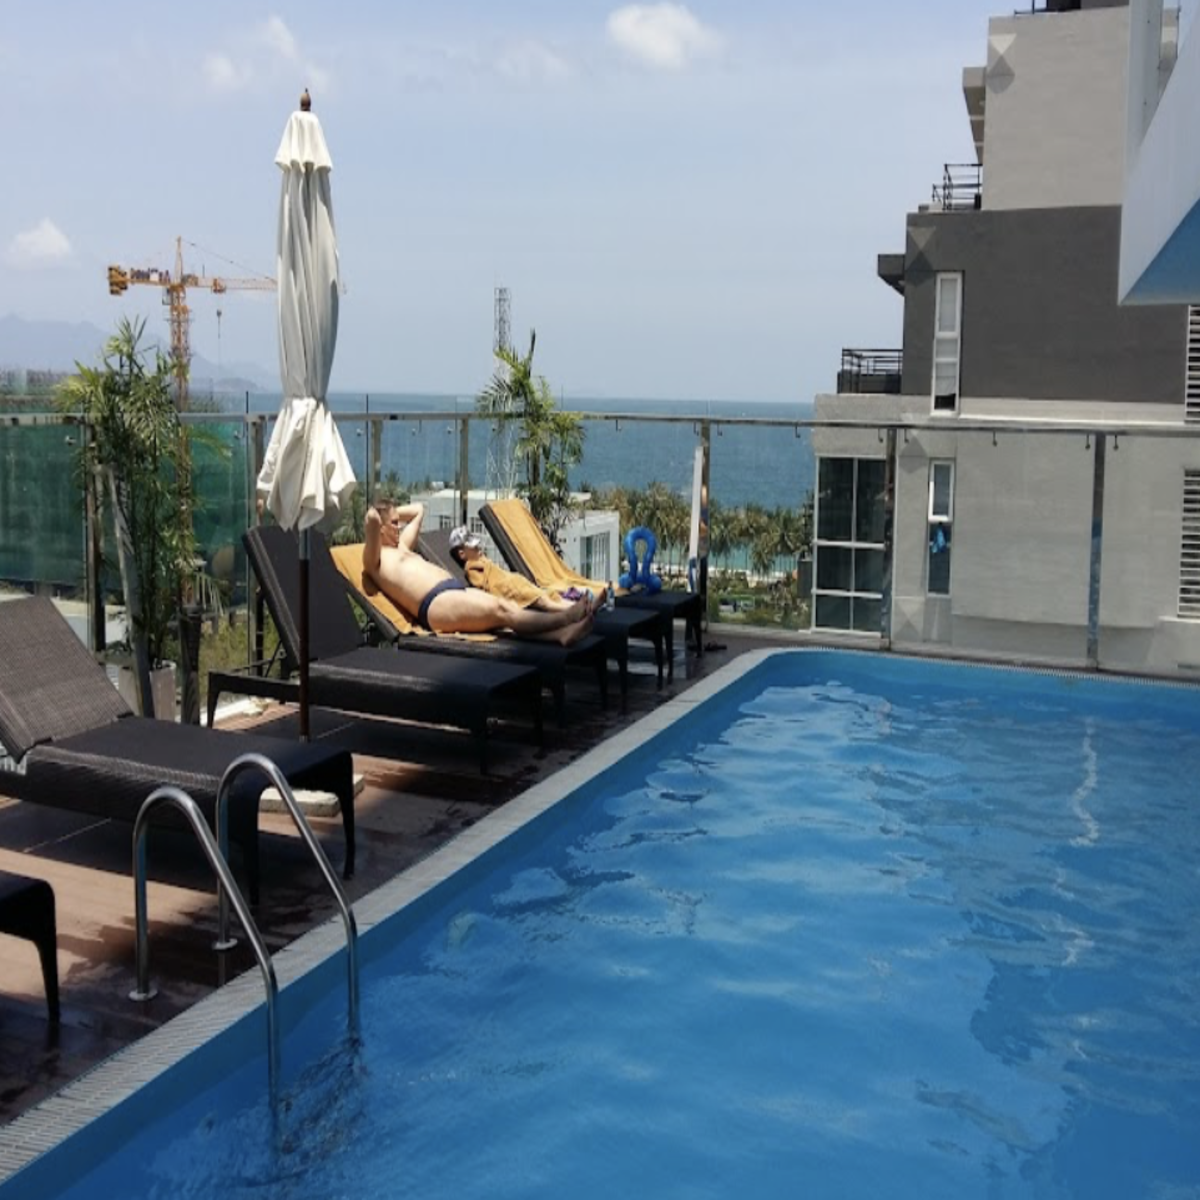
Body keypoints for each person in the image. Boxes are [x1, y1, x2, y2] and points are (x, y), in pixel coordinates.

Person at [363, 500, 594, 646]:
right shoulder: (375, 560)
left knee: (505, 616)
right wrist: (380, 514)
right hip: (435, 604)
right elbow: (372, 518)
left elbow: (418, 510)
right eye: (394, 523)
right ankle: (565, 617)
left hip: (454, 591)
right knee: (501, 610)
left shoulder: (402, 546)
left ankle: (560, 635)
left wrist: (391, 512)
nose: (399, 527)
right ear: (380, 528)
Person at [447, 525, 598, 615]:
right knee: (543, 602)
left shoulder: (479, 559)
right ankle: (577, 611)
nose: (478, 548)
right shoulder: (470, 568)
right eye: (473, 547)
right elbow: (484, 588)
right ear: (462, 554)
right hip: (508, 588)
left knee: (547, 595)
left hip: (514, 581)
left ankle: (582, 605)